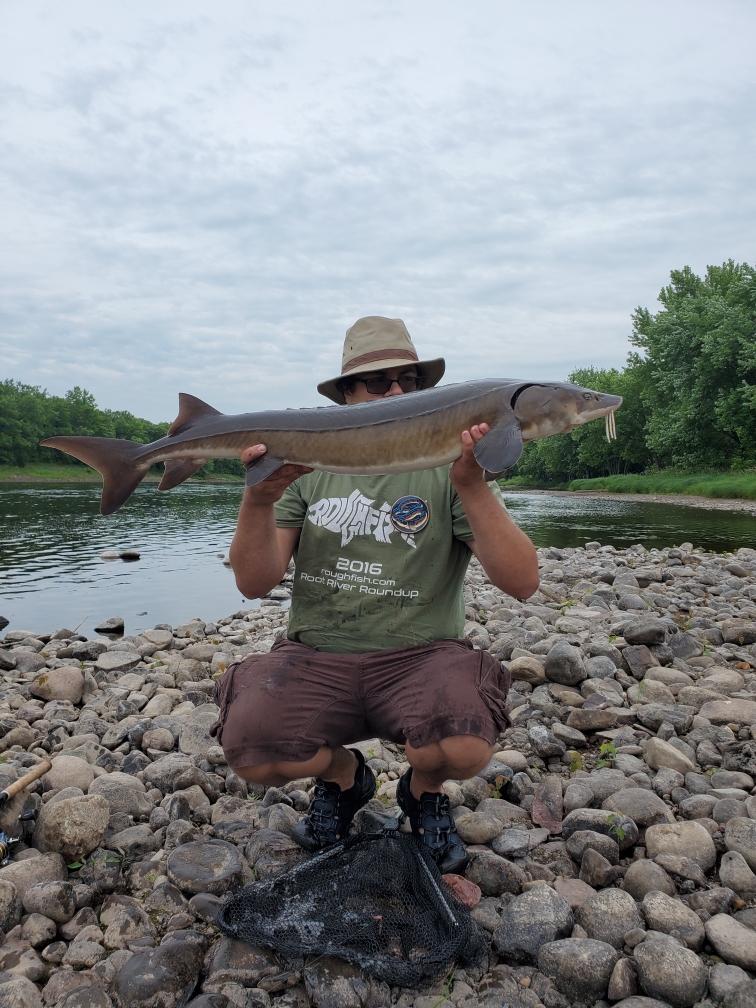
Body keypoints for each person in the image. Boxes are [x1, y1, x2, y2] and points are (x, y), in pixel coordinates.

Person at [213, 316, 539, 872]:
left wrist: (471, 483)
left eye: (410, 382)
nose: (396, 392)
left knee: (462, 742)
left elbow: (522, 582)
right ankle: (345, 779)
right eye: (379, 382)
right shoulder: (306, 468)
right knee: (251, 748)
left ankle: (424, 791)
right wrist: (259, 500)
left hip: (421, 657)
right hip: (317, 655)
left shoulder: (449, 469)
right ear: (344, 396)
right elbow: (254, 582)